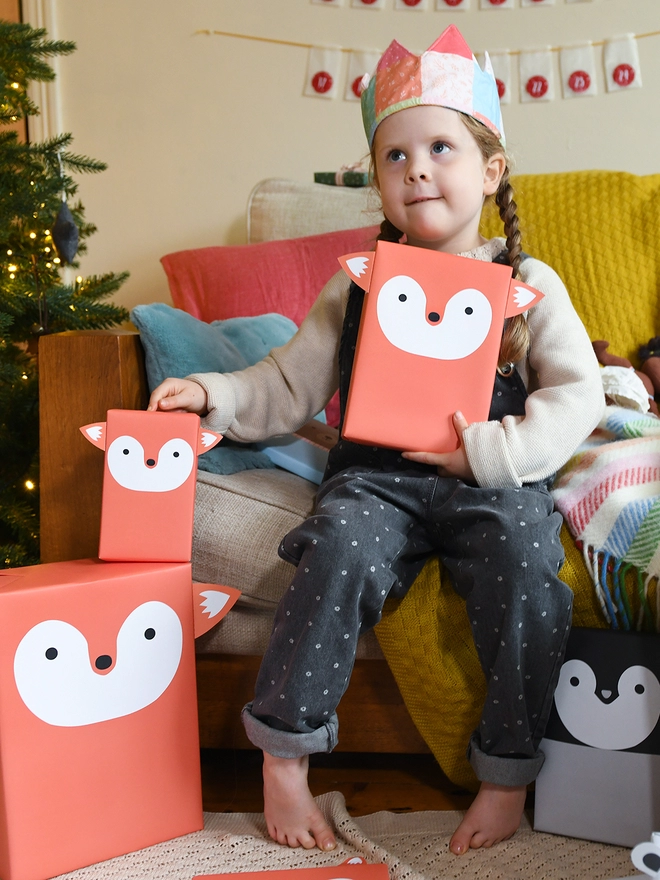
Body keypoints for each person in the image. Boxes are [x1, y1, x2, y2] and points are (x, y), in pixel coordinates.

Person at [148, 25, 604, 857]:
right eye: (394, 157)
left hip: (490, 479)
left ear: (491, 170)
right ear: (377, 181)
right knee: (336, 546)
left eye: (439, 148)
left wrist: (496, 453)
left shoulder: (529, 284)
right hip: (378, 481)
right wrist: (212, 394)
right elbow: (288, 385)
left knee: (526, 557)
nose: (417, 168)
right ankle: (284, 758)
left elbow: (575, 397)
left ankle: (507, 772)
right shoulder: (356, 283)